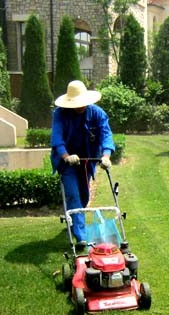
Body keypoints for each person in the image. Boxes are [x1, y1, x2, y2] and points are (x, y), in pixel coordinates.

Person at [51, 80, 115, 250]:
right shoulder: (60, 114)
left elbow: (106, 135)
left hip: (87, 160)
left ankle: (73, 221)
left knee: (84, 196)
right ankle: (81, 237)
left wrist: (106, 155)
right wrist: (66, 156)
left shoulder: (97, 113)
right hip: (67, 162)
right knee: (73, 195)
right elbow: (57, 139)